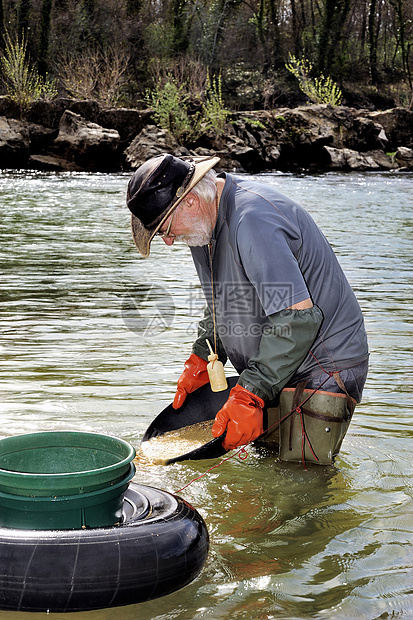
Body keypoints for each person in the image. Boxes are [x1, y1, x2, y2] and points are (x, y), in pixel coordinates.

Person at [126, 154, 369, 456]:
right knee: (265, 472)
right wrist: (203, 355)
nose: (168, 241)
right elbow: (224, 300)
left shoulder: (252, 220)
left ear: (189, 201)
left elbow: (298, 318)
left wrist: (250, 395)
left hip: (320, 369)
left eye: (164, 228)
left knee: (296, 488)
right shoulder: (202, 227)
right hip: (274, 367)